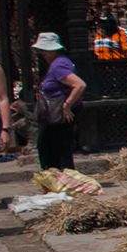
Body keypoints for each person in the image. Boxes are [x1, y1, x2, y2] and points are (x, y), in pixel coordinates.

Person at [32, 32, 84, 171]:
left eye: (44, 50)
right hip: (56, 112)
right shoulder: (58, 63)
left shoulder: (59, 66)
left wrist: (67, 105)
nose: (42, 53)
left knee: (56, 147)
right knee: (53, 146)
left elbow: (79, 85)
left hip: (59, 112)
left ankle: (61, 174)